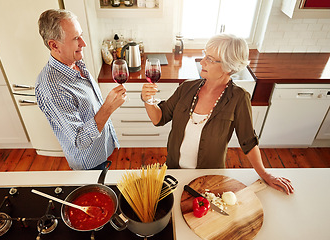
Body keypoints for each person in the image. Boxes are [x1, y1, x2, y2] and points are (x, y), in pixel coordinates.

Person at [141, 34, 294, 195]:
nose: (202, 62)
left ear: (228, 66)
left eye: (210, 59)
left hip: (209, 178)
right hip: (173, 172)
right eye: (204, 55)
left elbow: (248, 142)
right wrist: (147, 100)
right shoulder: (186, 88)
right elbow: (159, 118)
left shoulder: (239, 98)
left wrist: (265, 174)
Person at [36, 9, 126, 170]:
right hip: (89, 164)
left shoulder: (75, 62)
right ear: (54, 45)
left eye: (81, 35)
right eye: (76, 38)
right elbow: (80, 140)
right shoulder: (52, 88)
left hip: (102, 150)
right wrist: (108, 108)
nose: (83, 43)